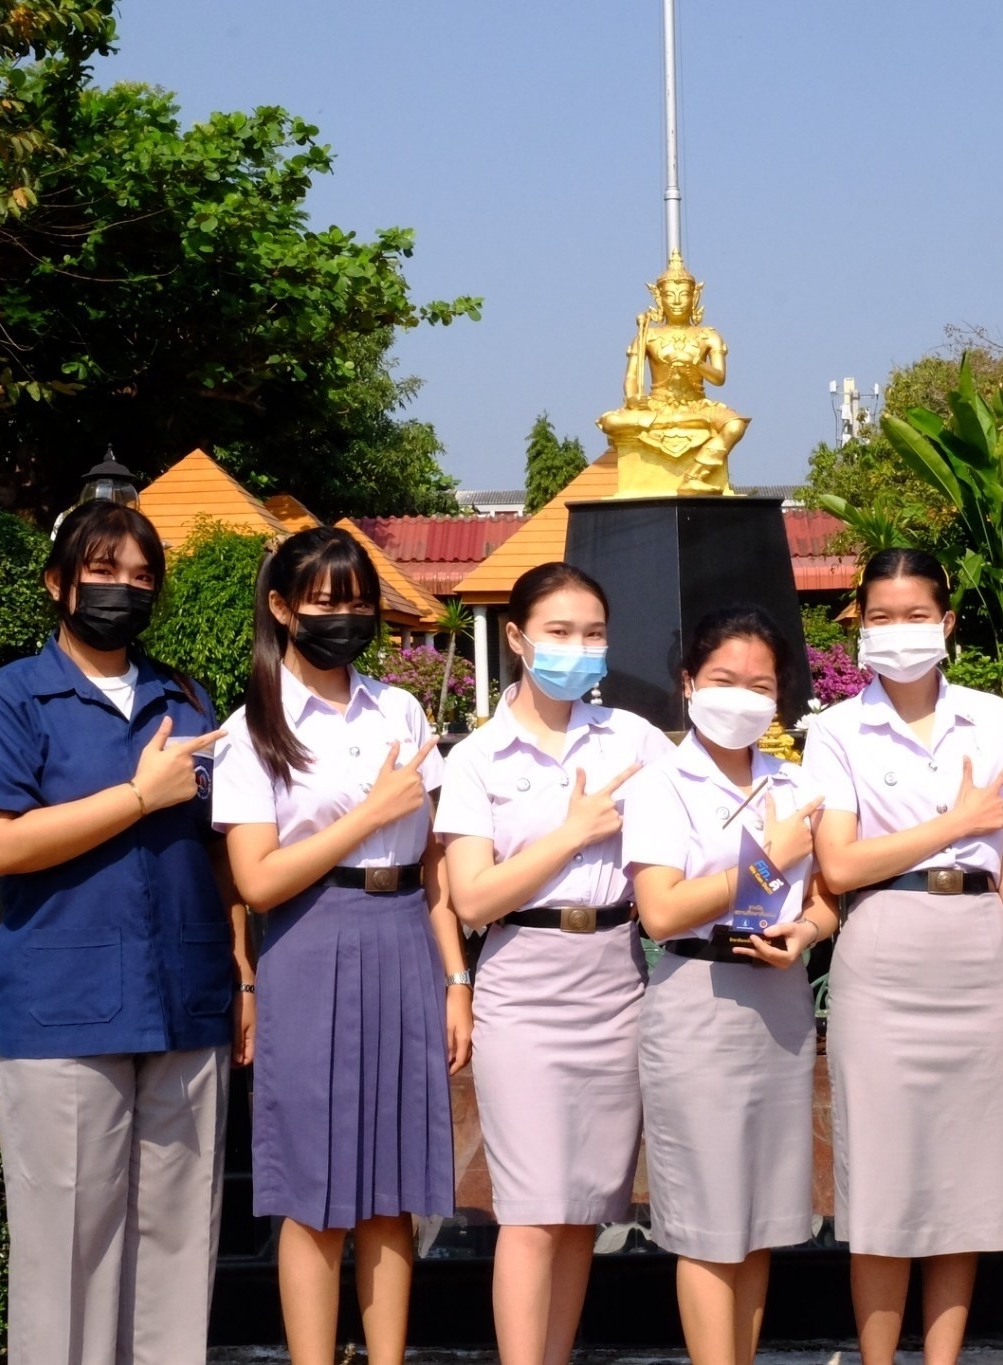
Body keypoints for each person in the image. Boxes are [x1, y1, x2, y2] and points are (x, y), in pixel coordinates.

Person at [0, 498, 249, 1365]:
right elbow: (1, 845)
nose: (122, 589)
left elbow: (220, 855)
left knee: (177, 1242)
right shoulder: (13, 697)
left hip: (186, 1002)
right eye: (102, 571)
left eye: (139, 575)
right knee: (67, 1250)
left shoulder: (187, 697)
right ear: (58, 583)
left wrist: (242, 973)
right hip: (64, 1010)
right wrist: (135, 796)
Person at [211, 526, 473, 1365]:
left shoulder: (397, 707)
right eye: (325, 599)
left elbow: (433, 860)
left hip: (403, 936)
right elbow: (256, 879)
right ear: (283, 608)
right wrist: (365, 813)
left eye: (357, 598)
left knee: (392, 1188)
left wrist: (454, 976)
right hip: (309, 939)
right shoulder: (252, 725)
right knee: (315, 1190)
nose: (344, 614)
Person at [801, 548, 1003, 1365]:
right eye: (879, 617)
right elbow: (839, 865)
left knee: (965, 1183)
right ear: (861, 628)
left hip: (980, 952)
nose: (897, 631)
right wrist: (954, 820)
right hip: (884, 953)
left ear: (945, 623)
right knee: (881, 1179)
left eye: (915, 615)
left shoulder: (992, 714)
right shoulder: (835, 730)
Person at [435, 563, 673, 1365]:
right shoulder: (478, 756)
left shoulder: (633, 740)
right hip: (524, 982)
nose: (579, 648)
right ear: (517, 639)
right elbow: (470, 898)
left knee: (583, 1209)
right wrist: (570, 833)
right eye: (561, 632)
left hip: (615, 976)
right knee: (531, 1210)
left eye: (594, 633)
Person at [621, 604, 837, 1365]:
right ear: (687, 683)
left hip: (777, 1002)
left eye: (760, 683)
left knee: (762, 1219)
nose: (741, 696)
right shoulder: (660, 783)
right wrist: (763, 860)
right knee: (710, 1224)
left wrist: (806, 933)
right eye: (723, 679)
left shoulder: (798, 784)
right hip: (698, 998)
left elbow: (827, 899)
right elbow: (659, 909)